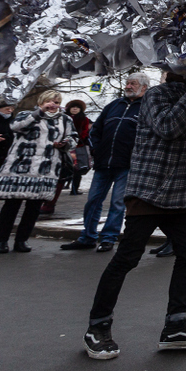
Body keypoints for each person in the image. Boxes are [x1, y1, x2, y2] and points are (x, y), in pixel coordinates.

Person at [82, 72, 186, 360]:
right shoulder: (158, 94)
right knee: (128, 257)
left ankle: (176, 324)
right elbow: (168, 127)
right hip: (151, 189)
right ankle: (98, 326)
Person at [61, 75, 148, 253]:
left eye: (133, 84)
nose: (129, 86)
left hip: (127, 164)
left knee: (117, 203)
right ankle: (88, 237)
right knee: (93, 200)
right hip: (103, 162)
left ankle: (108, 238)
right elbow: (96, 130)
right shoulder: (114, 105)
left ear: (145, 87)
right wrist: (97, 150)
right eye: (128, 83)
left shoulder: (148, 107)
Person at [0, 91, 74, 253]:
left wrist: (66, 143)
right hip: (21, 168)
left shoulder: (64, 119)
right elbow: (15, 127)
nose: (53, 104)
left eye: (56, 102)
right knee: (12, 204)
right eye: (49, 101)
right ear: (41, 101)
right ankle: (1, 241)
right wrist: (39, 113)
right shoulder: (27, 114)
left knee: (33, 208)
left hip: (45, 169)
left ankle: (22, 240)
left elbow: (73, 137)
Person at [66, 100, 92, 194]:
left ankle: (74, 189)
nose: (75, 109)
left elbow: (85, 130)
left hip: (79, 146)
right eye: (73, 107)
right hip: (65, 146)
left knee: (78, 168)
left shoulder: (84, 119)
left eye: (77, 107)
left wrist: (80, 138)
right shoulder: (64, 118)